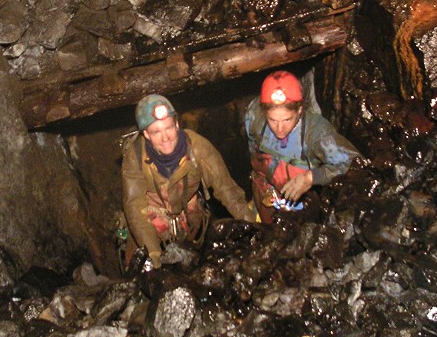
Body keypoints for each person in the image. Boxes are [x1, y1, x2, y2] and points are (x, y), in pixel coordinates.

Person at [121, 94, 254, 269]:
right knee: (140, 270)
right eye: (156, 132)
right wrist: (154, 255)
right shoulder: (135, 156)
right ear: (146, 134)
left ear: (177, 124)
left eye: (168, 128)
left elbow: (227, 191)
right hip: (149, 219)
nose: (165, 137)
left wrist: (253, 228)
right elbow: (135, 206)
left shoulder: (198, 148)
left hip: (187, 218)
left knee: (191, 267)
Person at [244, 70, 362, 224]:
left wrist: (311, 177)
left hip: (300, 206)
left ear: (299, 110)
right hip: (264, 193)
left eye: (287, 120)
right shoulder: (254, 116)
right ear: (264, 112)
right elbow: (252, 148)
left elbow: (355, 163)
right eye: (273, 120)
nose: (279, 128)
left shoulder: (317, 134)